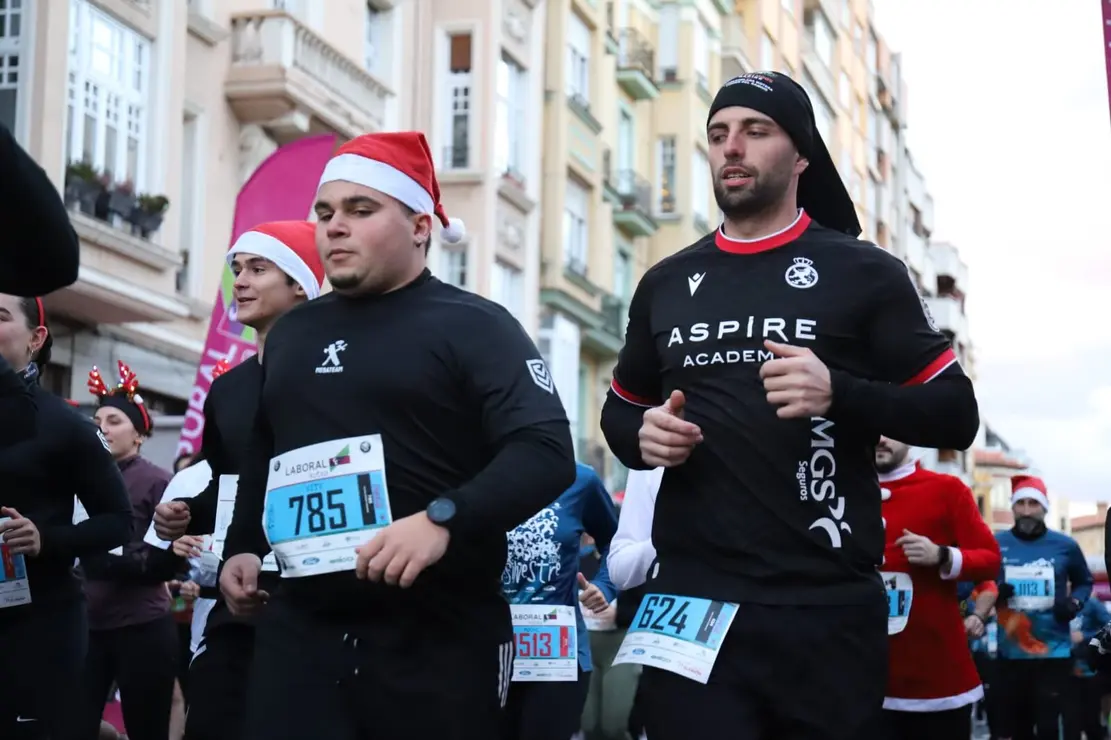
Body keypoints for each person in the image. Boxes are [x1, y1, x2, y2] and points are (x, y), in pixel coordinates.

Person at [599, 70, 980, 740]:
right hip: (690, 600)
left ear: (800, 154)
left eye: (755, 131)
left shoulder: (861, 272)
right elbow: (619, 416)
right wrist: (645, 435)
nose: (731, 148)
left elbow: (954, 411)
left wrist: (840, 393)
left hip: (821, 605)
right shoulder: (664, 281)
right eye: (718, 134)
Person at [218, 130, 576, 740]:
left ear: (419, 226)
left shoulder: (477, 326)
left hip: (435, 638)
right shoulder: (292, 336)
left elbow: (545, 453)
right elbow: (265, 452)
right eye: (326, 212)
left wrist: (443, 519)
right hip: (299, 638)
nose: (335, 227)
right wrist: (242, 547)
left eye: (361, 210)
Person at [151, 220, 325, 740]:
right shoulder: (227, 390)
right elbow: (225, 482)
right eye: (236, 270)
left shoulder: (340, 372)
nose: (240, 282)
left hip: (319, 596)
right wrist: (181, 515)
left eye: (257, 268)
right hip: (240, 589)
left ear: (299, 283)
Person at [0, 294, 131, 740]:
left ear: (36, 339)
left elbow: (118, 519)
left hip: (37, 622)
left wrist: (44, 539)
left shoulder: (64, 424)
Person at [79, 362, 186, 740]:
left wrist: (107, 561)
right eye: (97, 420)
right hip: (86, 625)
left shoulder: (158, 480)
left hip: (141, 627)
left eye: (114, 421)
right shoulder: (81, 478)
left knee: (147, 728)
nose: (102, 428)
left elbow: (169, 557)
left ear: (139, 435)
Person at [874, 436, 1001, 739]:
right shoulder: (839, 492)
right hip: (861, 675)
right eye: (871, 427)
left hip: (935, 678)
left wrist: (942, 555)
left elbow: (990, 561)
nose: (879, 438)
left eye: (889, 430)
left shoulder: (948, 489)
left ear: (909, 435)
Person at [501, 462, 617, 740]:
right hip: (486, 646)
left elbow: (616, 540)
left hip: (557, 657)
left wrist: (605, 585)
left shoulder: (579, 479)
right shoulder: (470, 470)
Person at [994, 475, 1093, 740]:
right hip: (1011, 651)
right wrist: (995, 595)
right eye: (1021, 503)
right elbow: (975, 584)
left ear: (1044, 508)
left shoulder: (1066, 545)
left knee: (1050, 727)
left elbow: (1084, 582)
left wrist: (1074, 603)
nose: (1027, 510)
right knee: (1017, 728)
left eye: (1033, 504)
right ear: (1013, 507)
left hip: (1055, 652)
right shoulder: (995, 542)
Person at [1064, 594, 1109, 740]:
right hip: (1064, 667)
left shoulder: (1092, 604)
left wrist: (1085, 636)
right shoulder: (1056, 603)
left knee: (1091, 715)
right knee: (1070, 719)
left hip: (1090, 668)